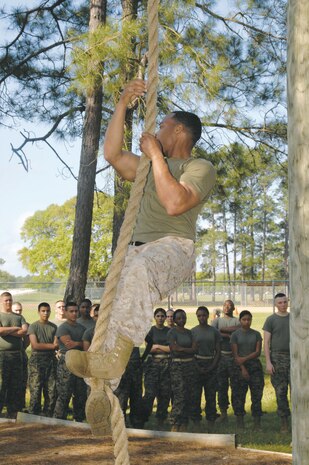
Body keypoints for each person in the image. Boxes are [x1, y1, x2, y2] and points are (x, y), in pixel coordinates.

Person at [66, 78, 216, 388]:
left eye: (162, 126)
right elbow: (113, 155)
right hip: (137, 250)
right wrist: (121, 104)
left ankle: (112, 362)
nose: (155, 131)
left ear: (178, 131)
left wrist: (157, 156)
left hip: (172, 248)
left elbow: (175, 203)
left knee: (137, 269)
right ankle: (102, 390)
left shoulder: (198, 166)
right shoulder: (149, 167)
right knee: (112, 312)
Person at [230, 310, 264, 431]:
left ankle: (257, 423)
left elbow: (257, 352)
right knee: (238, 395)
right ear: (240, 320)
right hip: (239, 368)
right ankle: (240, 422)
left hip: (254, 367)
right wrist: (243, 368)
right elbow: (235, 354)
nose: (247, 322)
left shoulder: (256, 334)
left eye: (249, 319)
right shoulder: (235, 335)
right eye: (244, 319)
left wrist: (244, 359)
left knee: (257, 395)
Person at [53, 302, 87, 422]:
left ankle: (78, 420)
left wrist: (78, 343)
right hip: (66, 364)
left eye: (75, 311)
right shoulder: (63, 328)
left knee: (80, 394)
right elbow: (69, 344)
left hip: (79, 363)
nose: (74, 313)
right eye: (71, 311)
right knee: (64, 393)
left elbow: (86, 345)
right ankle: (59, 420)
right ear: (66, 312)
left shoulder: (82, 328)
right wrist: (80, 343)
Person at [263, 293, 290, 432]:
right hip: (277, 358)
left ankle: (299, 421)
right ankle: (284, 421)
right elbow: (266, 343)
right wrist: (268, 362)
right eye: (280, 303)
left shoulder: (294, 318)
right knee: (281, 391)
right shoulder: (270, 320)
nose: (283, 305)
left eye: (285, 302)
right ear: (275, 304)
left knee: (297, 391)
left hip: (294, 358)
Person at [191, 306, 221, 432]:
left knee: (211, 395)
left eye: (204, 315)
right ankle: (196, 421)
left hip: (211, 363)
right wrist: (197, 366)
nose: (201, 318)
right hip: (197, 363)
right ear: (196, 317)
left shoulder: (214, 331)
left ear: (208, 316)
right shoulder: (192, 331)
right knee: (196, 395)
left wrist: (212, 366)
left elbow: (218, 351)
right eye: (199, 315)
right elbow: (191, 352)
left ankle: (211, 421)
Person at [167, 309, 197, 432]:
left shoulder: (189, 333)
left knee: (188, 394)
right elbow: (174, 349)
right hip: (177, 366)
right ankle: (174, 422)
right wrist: (187, 350)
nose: (182, 320)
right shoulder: (172, 332)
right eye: (179, 318)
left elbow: (195, 349)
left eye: (183, 318)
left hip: (189, 366)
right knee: (179, 394)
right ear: (174, 320)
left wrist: (182, 349)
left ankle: (184, 422)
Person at [0, 291, 28, 418]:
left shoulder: (18, 317)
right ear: (1, 302)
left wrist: (7, 331)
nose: (9, 302)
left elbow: (24, 331)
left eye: (10, 300)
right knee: (2, 384)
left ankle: (12, 411)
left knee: (15, 384)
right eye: (6, 300)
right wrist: (15, 328)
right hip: (2, 355)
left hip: (17, 355)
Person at [27, 302, 58, 417]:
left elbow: (57, 344)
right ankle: (33, 415)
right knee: (35, 388)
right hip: (37, 361)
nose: (46, 313)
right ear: (39, 312)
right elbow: (35, 345)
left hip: (50, 360)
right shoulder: (33, 326)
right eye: (43, 311)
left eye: (48, 311)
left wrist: (50, 346)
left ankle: (48, 414)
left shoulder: (54, 327)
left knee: (51, 389)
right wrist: (52, 346)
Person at [142, 308, 171, 428]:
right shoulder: (151, 330)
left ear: (165, 318)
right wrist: (161, 347)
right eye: (158, 316)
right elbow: (149, 348)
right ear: (154, 317)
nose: (160, 318)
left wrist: (157, 346)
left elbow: (170, 348)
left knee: (164, 394)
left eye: (162, 316)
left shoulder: (169, 331)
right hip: (152, 365)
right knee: (149, 394)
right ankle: (143, 419)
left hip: (166, 365)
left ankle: (161, 421)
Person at [211, 299, 240, 423]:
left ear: (233, 308)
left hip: (234, 358)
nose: (227, 307)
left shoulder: (237, 320)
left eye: (230, 306)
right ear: (222, 308)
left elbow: (239, 329)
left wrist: (222, 331)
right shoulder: (217, 321)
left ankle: (239, 414)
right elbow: (213, 333)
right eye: (225, 305)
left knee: (236, 386)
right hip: (221, 357)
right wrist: (229, 335)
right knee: (221, 386)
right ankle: (223, 413)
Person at [12, 301, 29, 410]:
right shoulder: (7, 322)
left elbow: (27, 339)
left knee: (22, 380)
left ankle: (20, 405)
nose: (18, 312)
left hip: (21, 355)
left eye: (20, 310)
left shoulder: (25, 324)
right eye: (16, 310)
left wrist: (22, 347)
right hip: (8, 355)